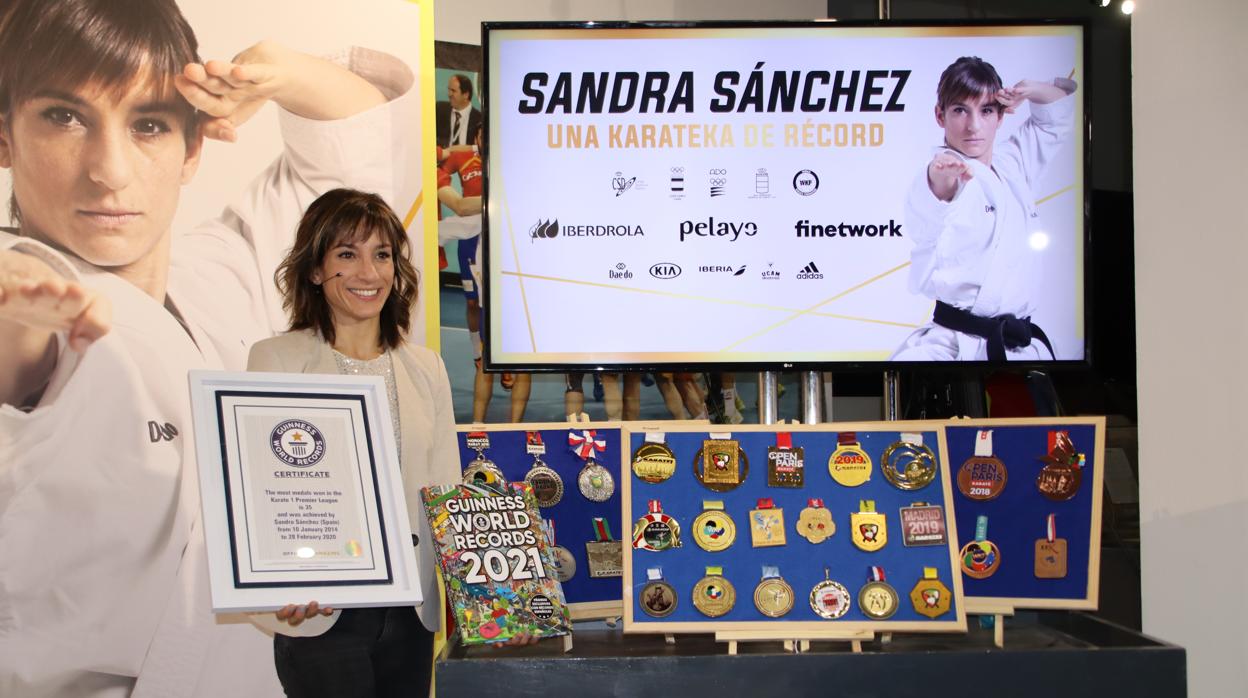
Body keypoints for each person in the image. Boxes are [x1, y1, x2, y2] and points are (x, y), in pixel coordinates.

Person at [0, 0, 416, 694]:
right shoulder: (33, 293)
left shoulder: (218, 274)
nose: (109, 170)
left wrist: (275, 69)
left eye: (149, 125)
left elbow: (346, 167)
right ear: (4, 135)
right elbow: (19, 350)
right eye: (64, 116)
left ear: (193, 148)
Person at [246, 189, 458, 698]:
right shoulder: (277, 360)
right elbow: (261, 495)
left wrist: (487, 593)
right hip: (322, 613)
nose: (369, 272)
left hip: (411, 610)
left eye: (381, 254)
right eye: (347, 254)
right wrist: (278, 584)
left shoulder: (425, 366)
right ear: (315, 270)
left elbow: (446, 490)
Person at [892, 56, 1076, 362]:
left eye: (986, 110)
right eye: (960, 110)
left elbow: (1053, 123)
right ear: (940, 115)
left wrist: (1031, 89)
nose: (973, 125)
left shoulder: (1013, 163)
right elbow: (933, 202)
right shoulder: (944, 171)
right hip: (952, 347)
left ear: (1001, 116)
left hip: (1019, 345)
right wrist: (941, 176)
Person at [435, 73, 482, 148]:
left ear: (466, 95)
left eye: (453, 91)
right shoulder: (439, 110)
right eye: (449, 89)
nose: (449, 94)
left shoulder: (479, 119)